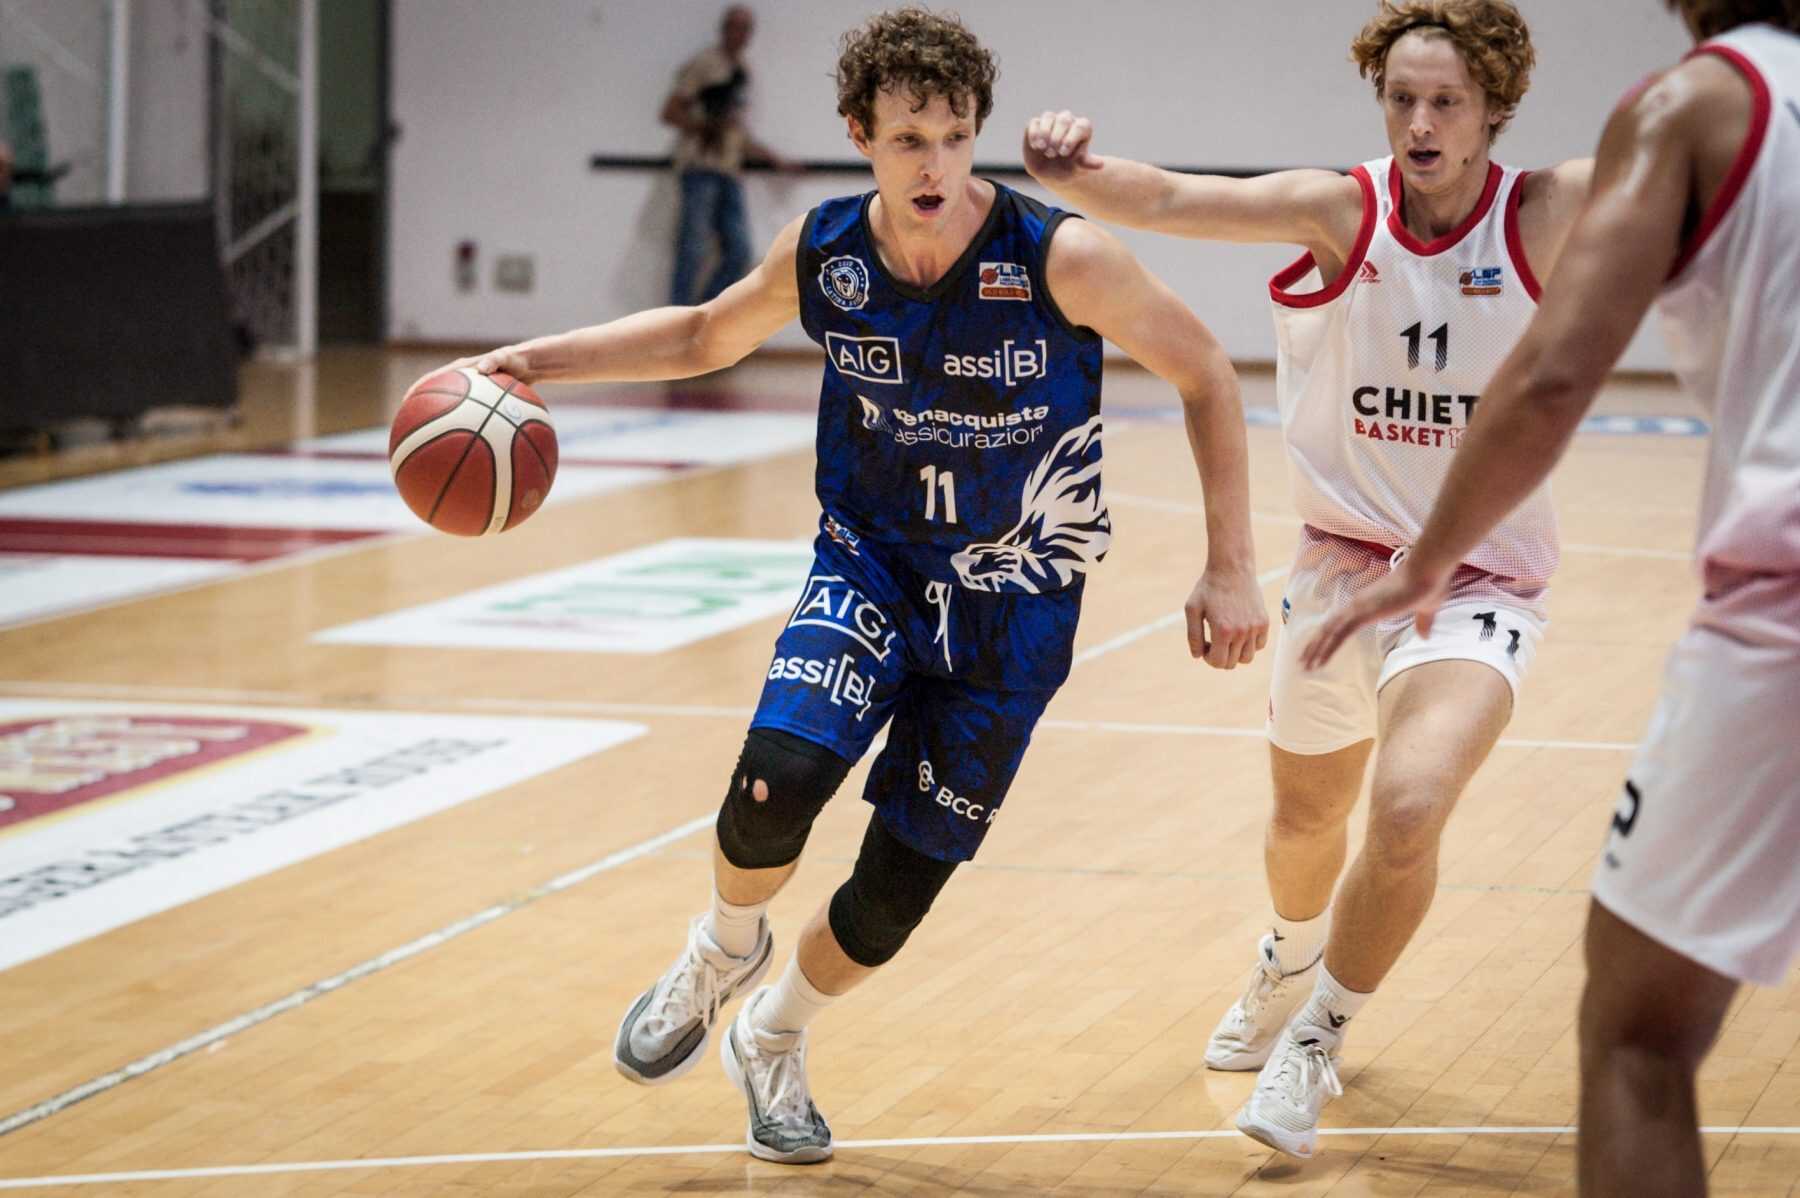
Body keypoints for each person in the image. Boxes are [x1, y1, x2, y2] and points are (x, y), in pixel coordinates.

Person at [447, 7, 1268, 1165]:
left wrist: (1230, 564)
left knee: (892, 892)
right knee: (774, 782)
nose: (934, 165)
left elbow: (1207, 372)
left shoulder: (1059, 257)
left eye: (954, 137)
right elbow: (700, 335)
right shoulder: (825, 250)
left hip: (1015, 601)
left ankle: (774, 1036)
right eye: (906, 140)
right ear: (859, 137)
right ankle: (723, 946)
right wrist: (532, 361)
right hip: (871, 561)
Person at [1023, 0, 1597, 1158]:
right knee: (1304, 821)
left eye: (1446, 102)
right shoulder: (1342, 210)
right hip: (1338, 573)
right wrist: (1072, 169)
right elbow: (1172, 200)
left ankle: (1319, 1034)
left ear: (1494, 107)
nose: (1420, 123)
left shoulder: (1546, 209)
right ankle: (1287, 958)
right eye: (1402, 99)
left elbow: (1706, 169)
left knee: (1409, 805)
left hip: (1475, 585)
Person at [1303, 3, 1800, 1193]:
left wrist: (1431, 556)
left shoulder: (1697, 103)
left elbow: (1557, 372)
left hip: (1780, 605)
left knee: (1637, 1039)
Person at [661, 5, 790, 306]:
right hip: (701, 166)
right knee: (692, 249)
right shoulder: (705, 64)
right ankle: (675, 321)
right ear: (724, 29)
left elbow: (737, 131)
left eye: (745, 29)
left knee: (740, 251)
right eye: (734, 27)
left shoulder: (742, 72)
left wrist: (773, 159)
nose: (739, 34)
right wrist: (705, 127)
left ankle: (704, 315)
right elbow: (670, 111)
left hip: (729, 169)